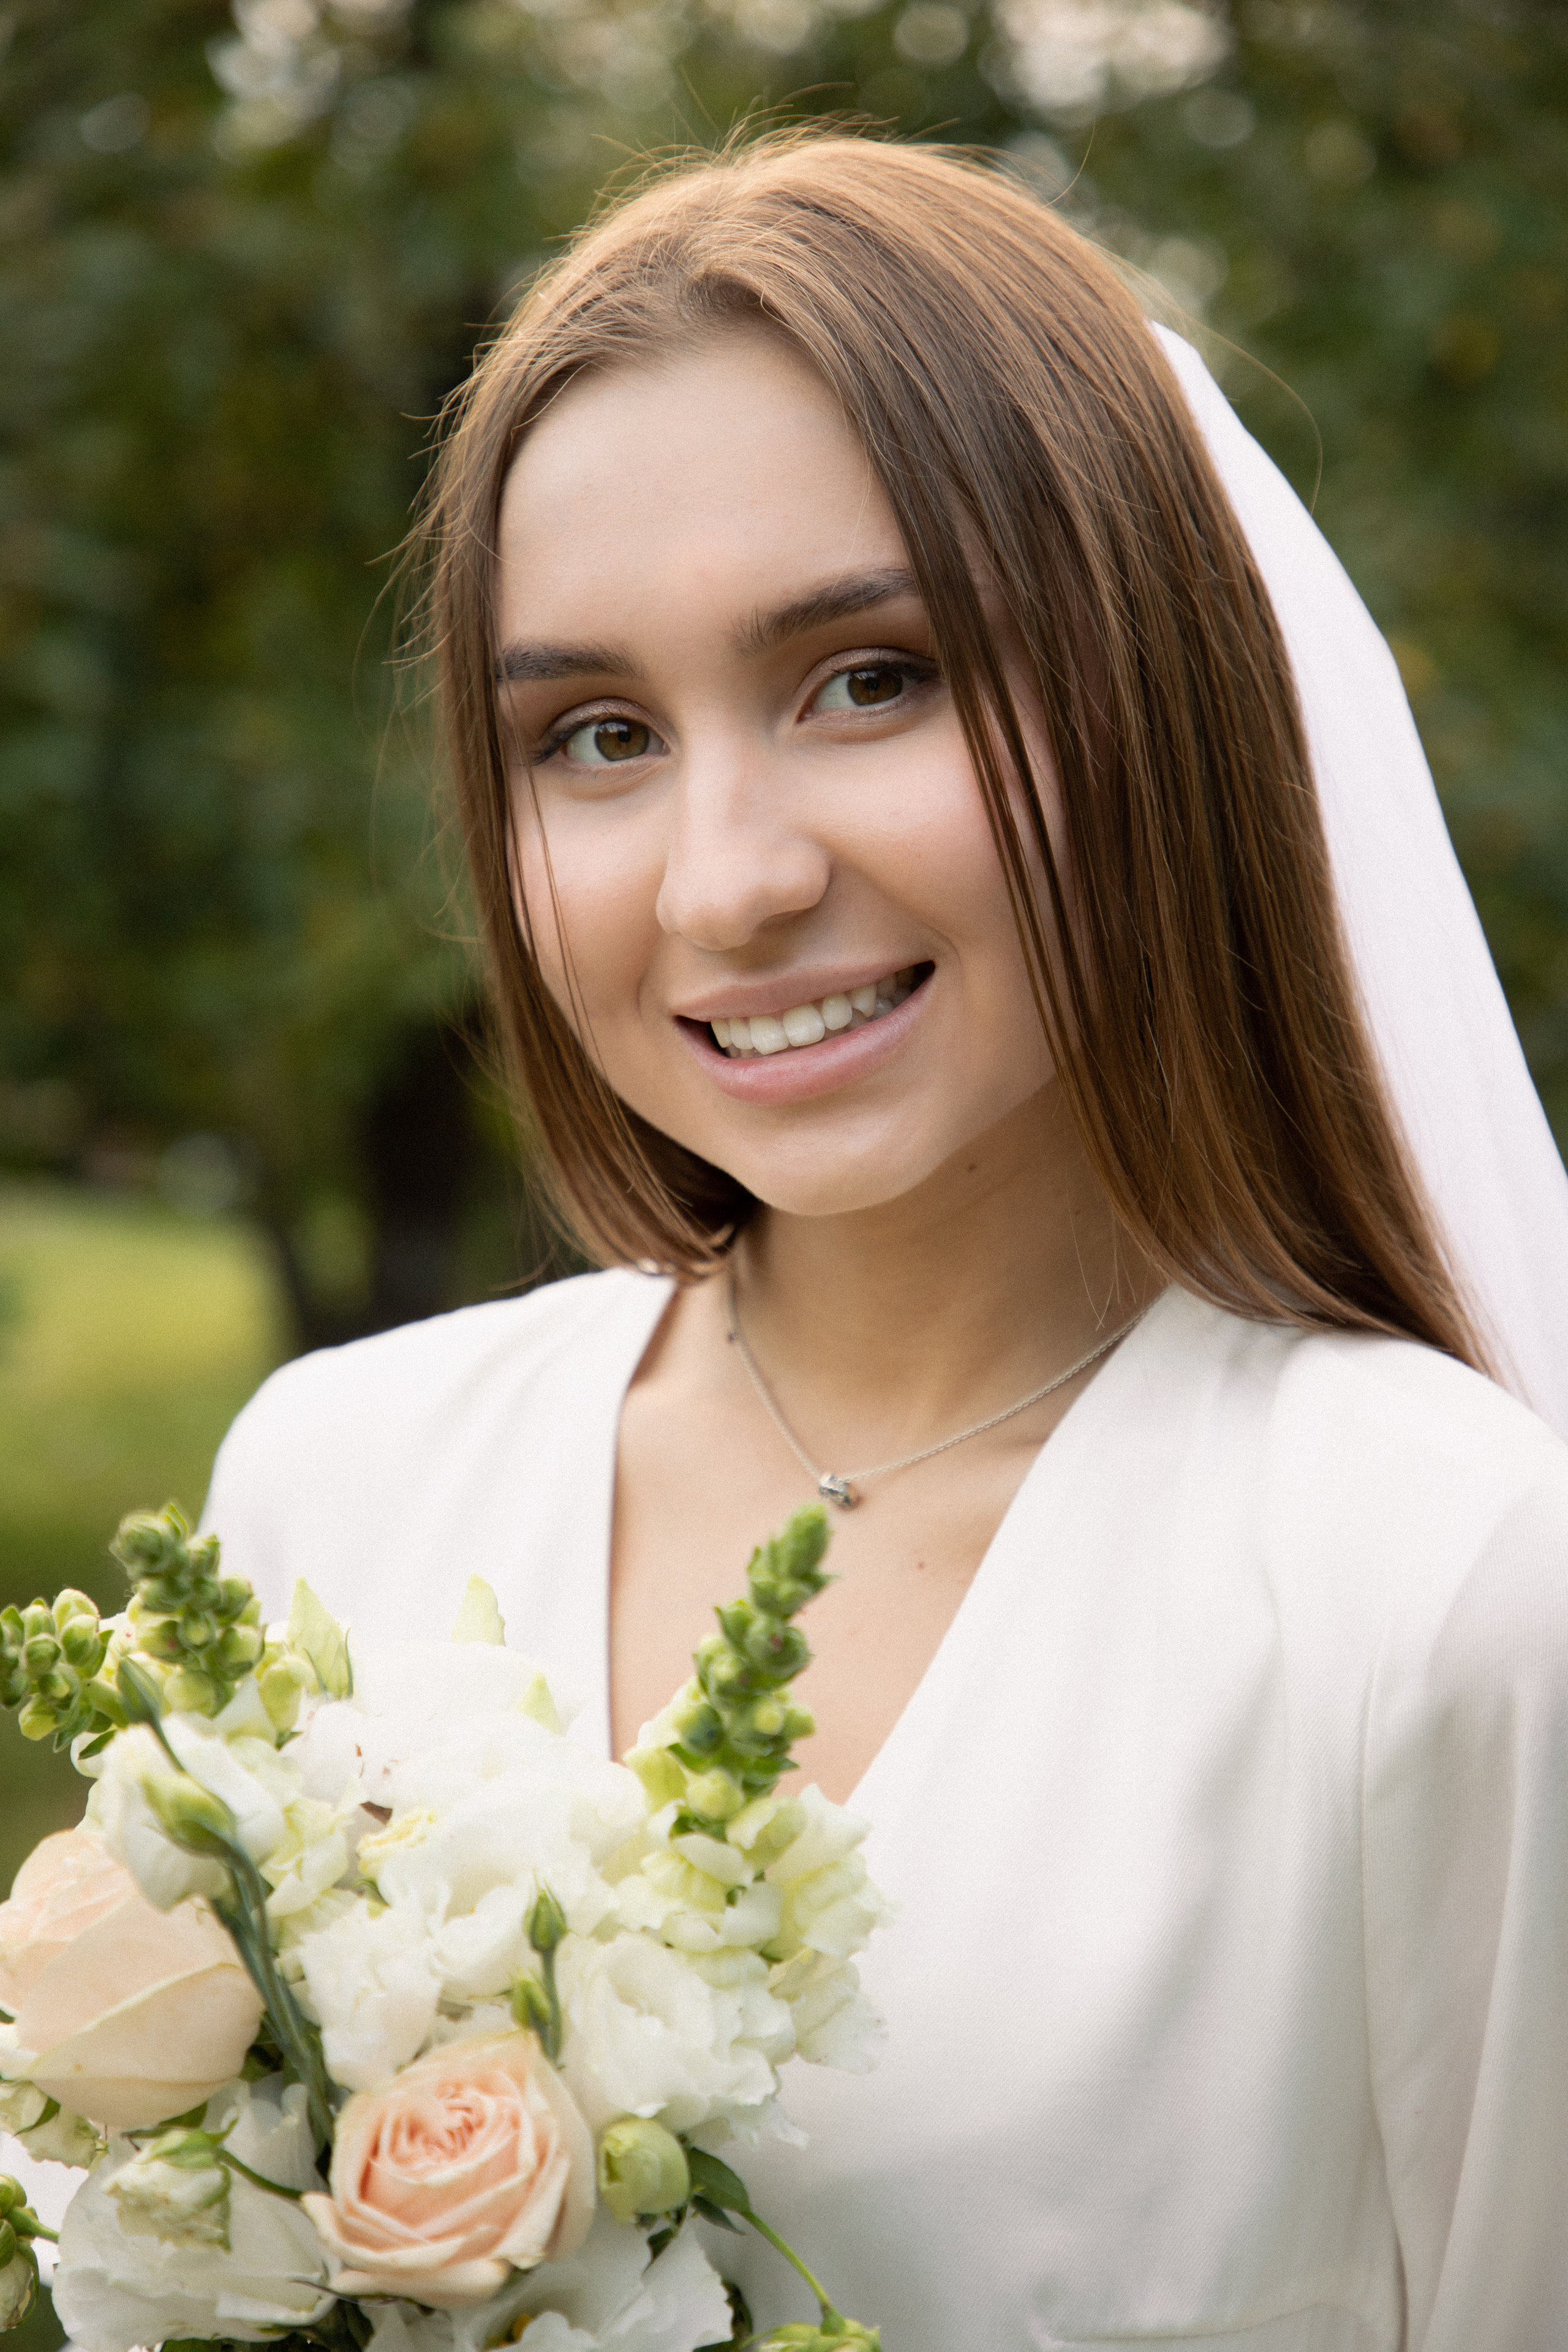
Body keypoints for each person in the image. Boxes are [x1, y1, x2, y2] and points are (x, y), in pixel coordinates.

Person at [200, 136, 1568, 2348]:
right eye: (600, 737)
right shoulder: (333, 1486)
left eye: (872, 678)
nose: (726, 880)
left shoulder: (1442, 1593)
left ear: (1161, 693)